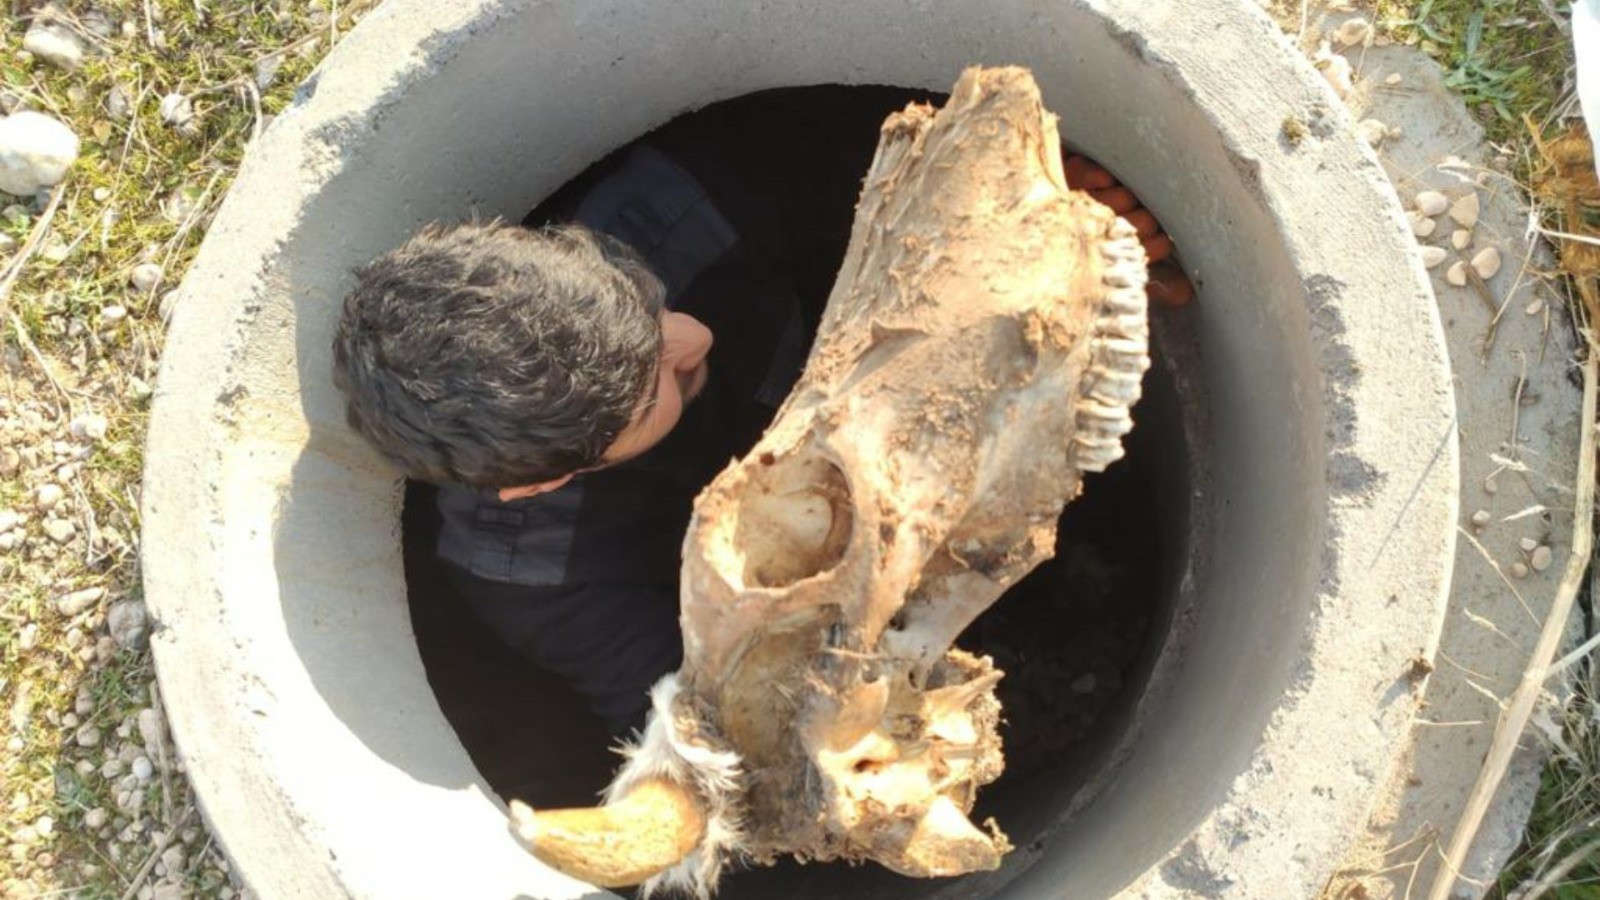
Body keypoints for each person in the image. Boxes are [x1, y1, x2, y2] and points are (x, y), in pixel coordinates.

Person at [332, 85, 1190, 738]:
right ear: (543, 483)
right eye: (656, 391)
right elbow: (706, 714)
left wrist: (1052, 209)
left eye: (647, 311)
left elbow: (913, 176)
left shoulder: (676, 210)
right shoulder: (533, 572)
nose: (693, 339)